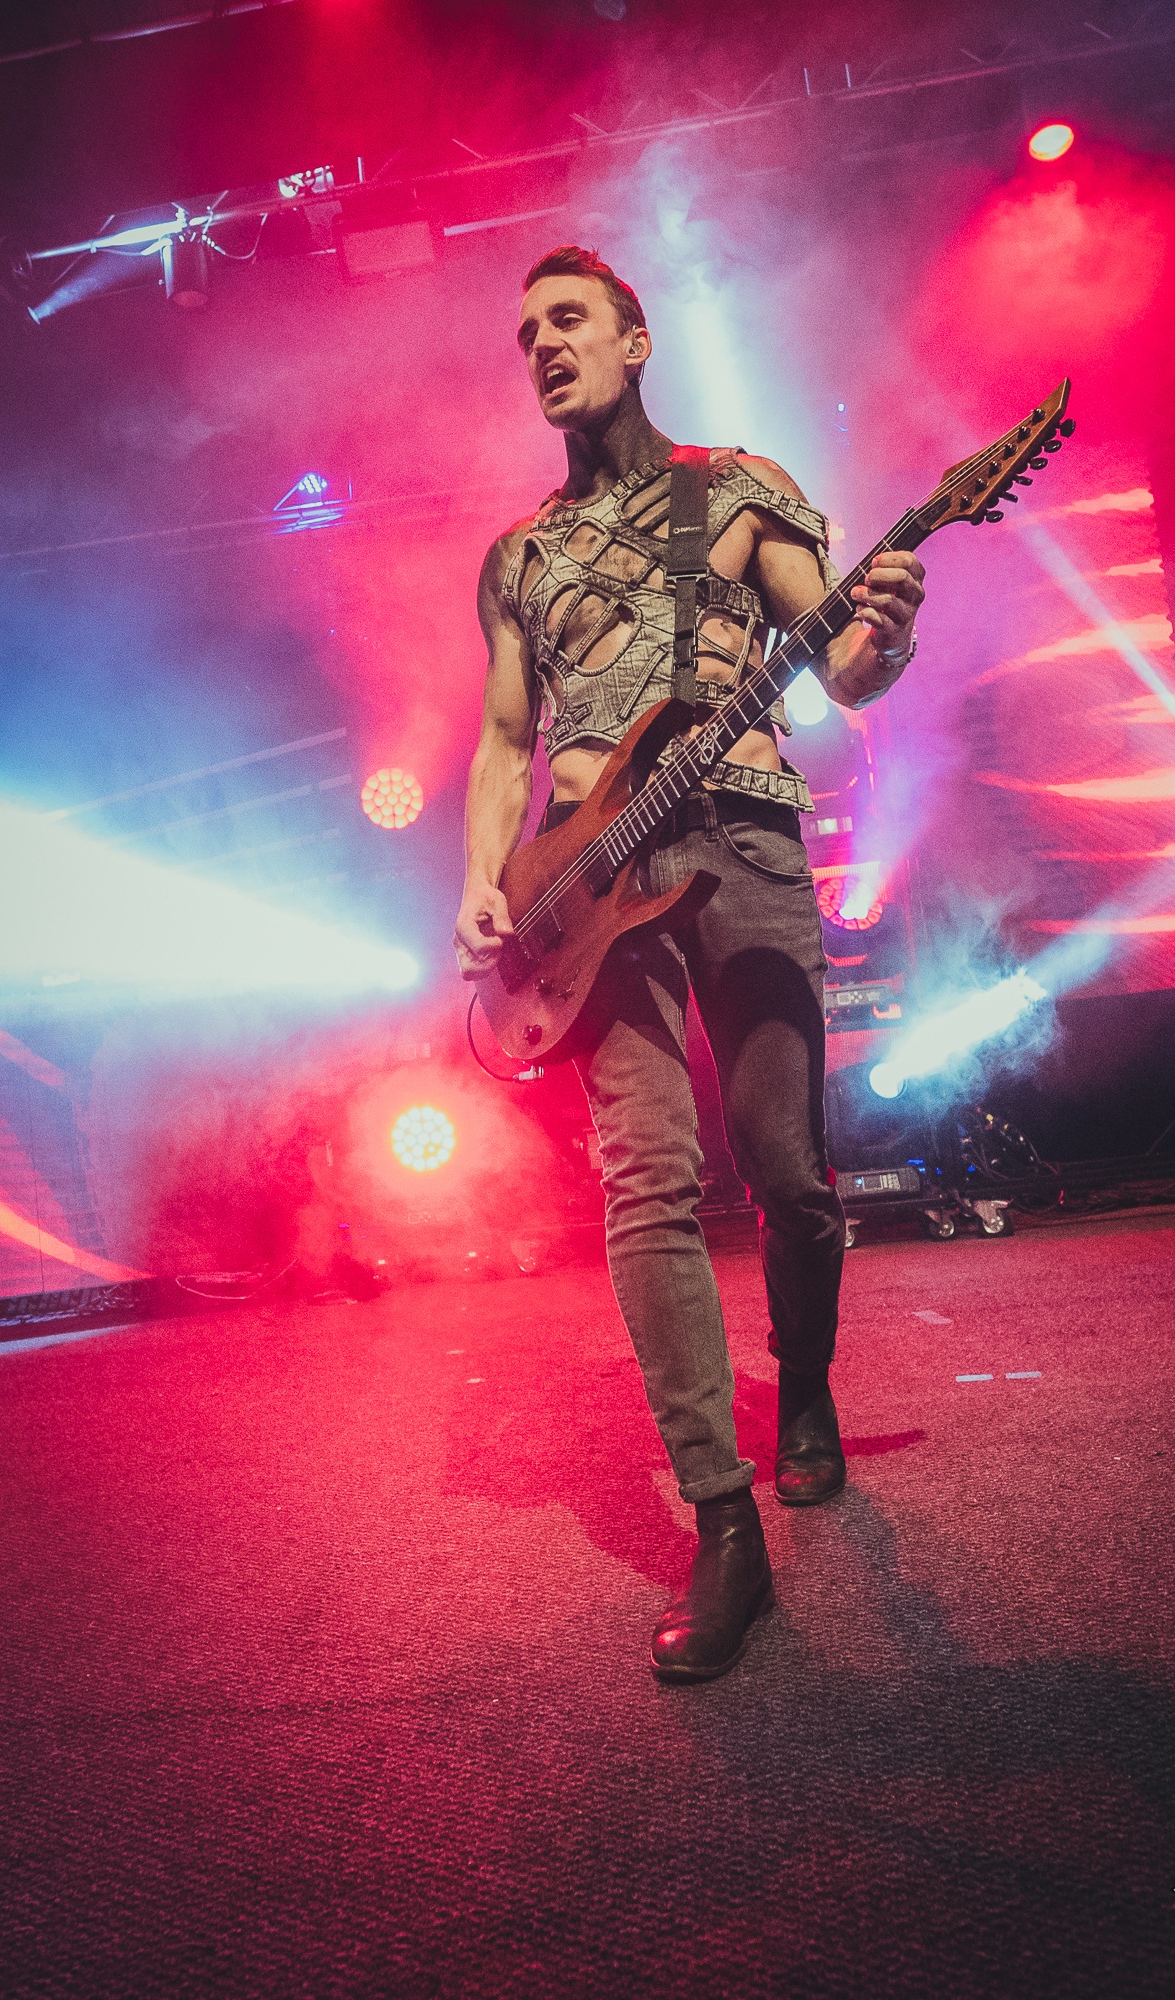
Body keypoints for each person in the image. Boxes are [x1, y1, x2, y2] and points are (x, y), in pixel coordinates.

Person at [454, 246, 924, 1683]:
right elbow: (505, 741)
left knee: (788, 1171)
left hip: (743, 834)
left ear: (637, 339)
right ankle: (724, 1521)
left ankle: (806, 1389)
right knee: (646, 1179)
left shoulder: (739, 487)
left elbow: (842, 668)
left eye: (569, 320)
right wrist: (481, 877)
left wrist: (887, 633)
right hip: (588, 886)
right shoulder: (517, 558)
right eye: (526, 332)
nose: (544, 345)